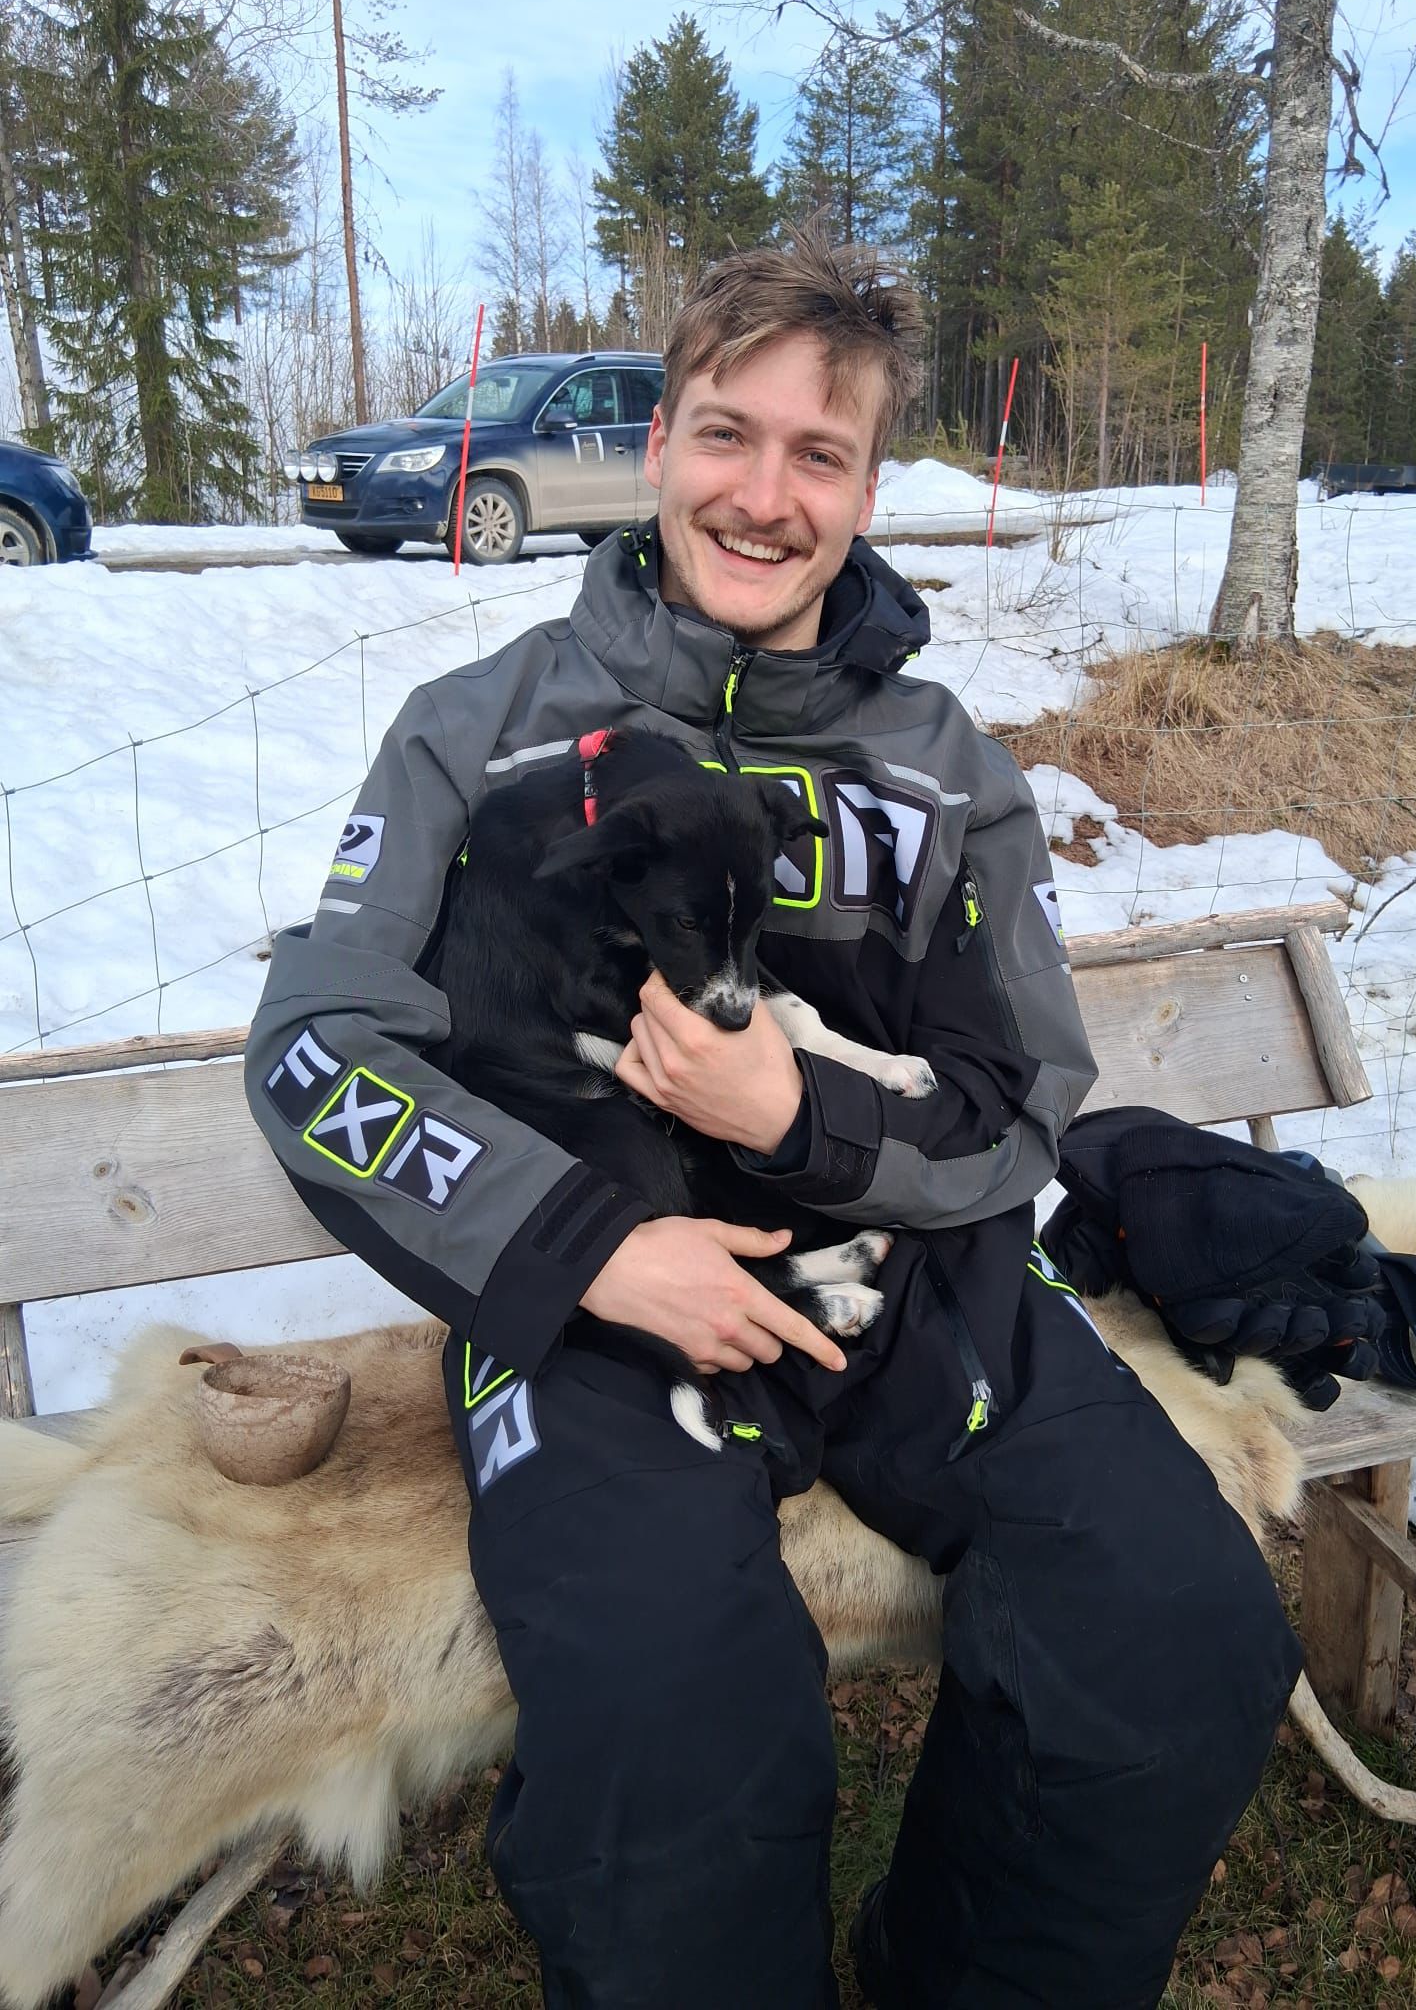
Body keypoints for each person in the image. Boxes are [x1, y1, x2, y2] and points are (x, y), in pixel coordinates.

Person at [245, 234, 1302, 2010]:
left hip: (914, 1283)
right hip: (595, 1309)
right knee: (675, 1746)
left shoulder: (947, 769)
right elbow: (314, 1051)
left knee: (1178, 1632)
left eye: (819, 454)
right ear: (659, 441)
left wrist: (803, 1116)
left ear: (869, 488)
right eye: (727, 435)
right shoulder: (476, 731)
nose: (762, 495)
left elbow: (1025, 1106)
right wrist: (590, 1248)